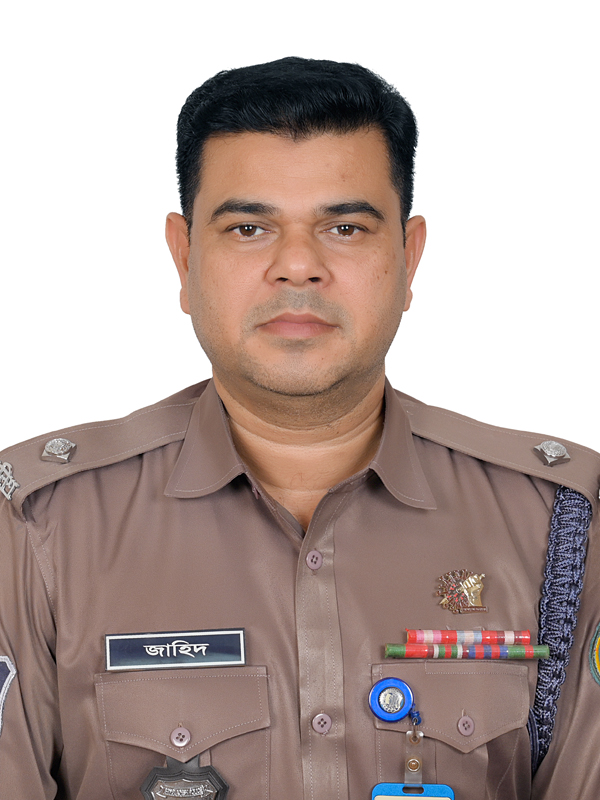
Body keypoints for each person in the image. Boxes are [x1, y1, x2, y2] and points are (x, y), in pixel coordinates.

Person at [0, 57, 598, 800]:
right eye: (249, 227)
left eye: (344, 227)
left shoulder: (559, 521)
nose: (297, 266)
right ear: (184, 259)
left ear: (408, 257)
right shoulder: (39, 526)